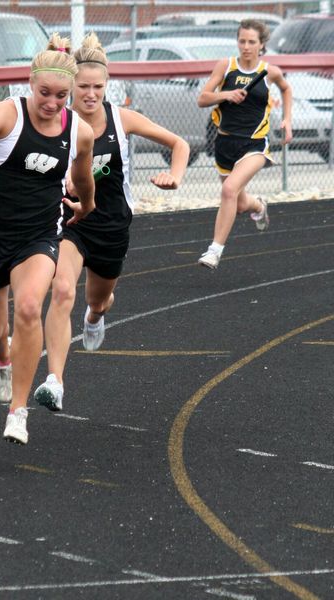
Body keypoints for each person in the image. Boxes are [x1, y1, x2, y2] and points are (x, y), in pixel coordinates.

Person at [0, 34, 95, 444]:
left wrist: (86, 205)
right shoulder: (4, 115)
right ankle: (3, 359)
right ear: (30, 83)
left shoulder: (79, 132)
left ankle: (18, 412)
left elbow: (84, 178)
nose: (52, 103)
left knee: (29, 307)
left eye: (61, 96)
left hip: (38, 235)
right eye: (45, 93)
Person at [33, 32, 190, 412]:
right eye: (83, 87)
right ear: (71, 86)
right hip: (70, 221)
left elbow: (179, 144)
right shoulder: (58, 121)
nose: (90, 94)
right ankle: (55, 382)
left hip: (112, 225)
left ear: (107, 86)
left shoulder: (121, 119)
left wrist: (175, 176)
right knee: (62, 290)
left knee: (98, 300)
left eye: (97, 87)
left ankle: (94, 317)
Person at [197, 18, 292, 270]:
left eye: (251, 42)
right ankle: (259, 205)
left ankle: (214, 251)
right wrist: (226, 94)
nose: (246, 47)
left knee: (229, 190)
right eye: (242, 41)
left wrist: (287, 120)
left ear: (262, 44)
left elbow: (286, 89)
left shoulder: (269, 72)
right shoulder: (226, 66)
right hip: (225, 143)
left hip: (254, 145)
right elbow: (202, 98)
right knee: (238, 203)